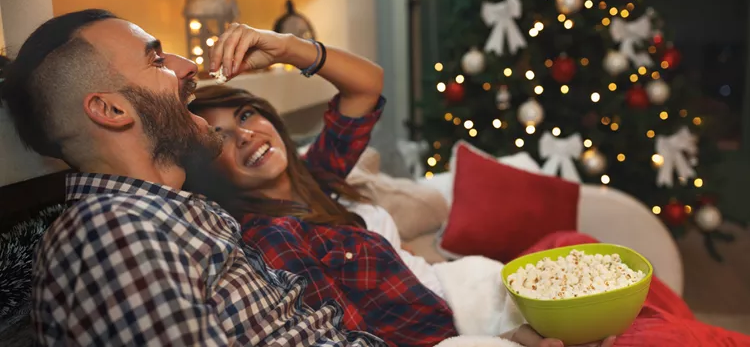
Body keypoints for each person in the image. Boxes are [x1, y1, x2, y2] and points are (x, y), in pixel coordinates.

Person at [184, 25, 614, 347]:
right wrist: (505, 337)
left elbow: (367, 85)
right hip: (451, 332)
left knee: (573, 243)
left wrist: (288, 47)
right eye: (218, 137)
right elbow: (358, 331)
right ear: (208, 171)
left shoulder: (314, 176)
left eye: (244, 115)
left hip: (466, 296)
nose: (245, 135)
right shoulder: (272, 237)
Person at [0, 10, 387, 346]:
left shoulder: (168, 216)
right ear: (111, 109)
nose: (189, 65)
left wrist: (287, 46)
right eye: (156, 60)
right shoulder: (110, 229)